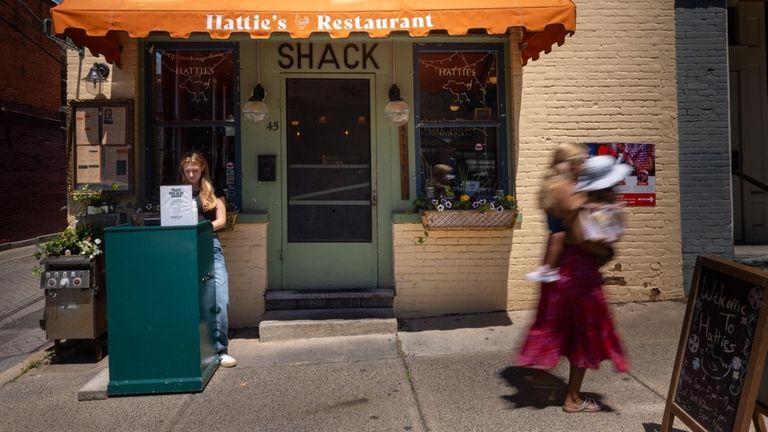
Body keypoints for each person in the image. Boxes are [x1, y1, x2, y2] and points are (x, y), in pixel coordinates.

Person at [515, 155, 631, 413]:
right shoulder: (586, 208)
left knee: (568, 331)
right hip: (582, 282)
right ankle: (573, 399)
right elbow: (584, 241)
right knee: (583, 337)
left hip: (571, 276)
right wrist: (606, 254)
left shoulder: (582, 203)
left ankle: (566, 391)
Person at [179, 151, 237, 368]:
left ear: (202, 168)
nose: (191, 173)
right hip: (183, 248)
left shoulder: (213, 191)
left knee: (220, 298)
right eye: (187, 170)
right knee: (185, 298)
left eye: (195, 169)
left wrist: (201, 228)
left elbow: (222, 220)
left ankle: (220, 350)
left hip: (209, 245)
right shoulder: (177, 193)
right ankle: (186, 348)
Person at [525, 143, 587, 283]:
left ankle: (547, 269)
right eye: (581, 162)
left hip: (559, 245)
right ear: (570, 164)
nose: (584, 166)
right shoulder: (563, 186)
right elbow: (571, 209)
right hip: (569, 253)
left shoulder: (552, 183)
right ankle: (548, 269)